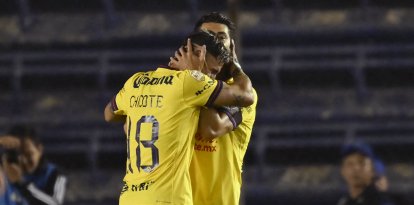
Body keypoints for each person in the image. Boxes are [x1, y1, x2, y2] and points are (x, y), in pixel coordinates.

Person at [104, 30, 254, 205]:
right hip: (169, 198)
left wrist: (139, 115)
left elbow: (109, 114)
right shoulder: (188, 83)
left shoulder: (135, 82)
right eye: (212, 71)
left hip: (130, 198)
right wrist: (235, 66)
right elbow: (246, 95)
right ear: (197, 54)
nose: (213, 78)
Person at [177, 12, 258, 205]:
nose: (214, 43)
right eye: (207, 37)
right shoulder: (175, 87)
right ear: (192, 46)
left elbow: (210, 129)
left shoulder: (244, 95)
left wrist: (197, 79)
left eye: (221, 38)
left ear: (231, 47)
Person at [0, 125, 67, 205]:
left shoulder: (55, 174)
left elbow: (55, 203)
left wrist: (21, 184)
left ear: (40, 149)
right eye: (18, 154)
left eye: (28, 154)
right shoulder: (4, 170)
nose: (23, 161)